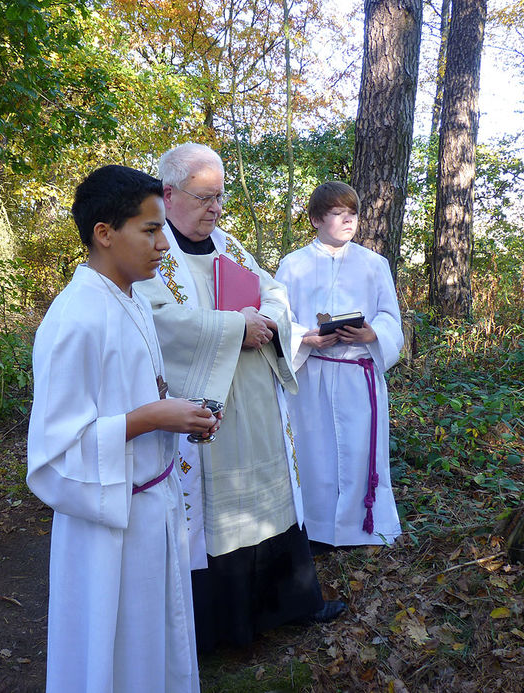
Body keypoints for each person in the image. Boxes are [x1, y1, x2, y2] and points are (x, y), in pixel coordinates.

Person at [135, 143, 344, 654]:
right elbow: (157, 322)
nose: (217, 208)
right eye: (205, 197)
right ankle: (223, 630)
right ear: (168, 194)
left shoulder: (228, 242)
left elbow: (272, 289)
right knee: (217, 513)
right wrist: (236, 326)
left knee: (272, 500)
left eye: (221, 196)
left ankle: (292, 604)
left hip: (255, 397)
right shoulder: (153, 252)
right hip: (206, 405)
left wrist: (267, 319)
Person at [26, 165, 218, 693]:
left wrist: (181, 415)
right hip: (109, 525)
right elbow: (54, 454)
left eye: (162, 230)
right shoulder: (75, 319)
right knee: (112, 657)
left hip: (151, 507)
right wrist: (150, 420)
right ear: (104, 234)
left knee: (153, 648)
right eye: (150, 230)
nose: (163, 245)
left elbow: (140, 391)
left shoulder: (129, 298)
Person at [274, 181, 404, 551]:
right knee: (313, 452)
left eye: (353, 214)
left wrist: (372, 335)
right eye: (338, 214)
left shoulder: (373, 264)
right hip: (312, 374)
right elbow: (279, 320)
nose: (349, 221)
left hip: (356, 376)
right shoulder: (293, 265)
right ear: (316, 219)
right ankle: (314, 529)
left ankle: (364, 528)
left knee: (360, 453)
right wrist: (306, 338)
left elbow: (390, 317)